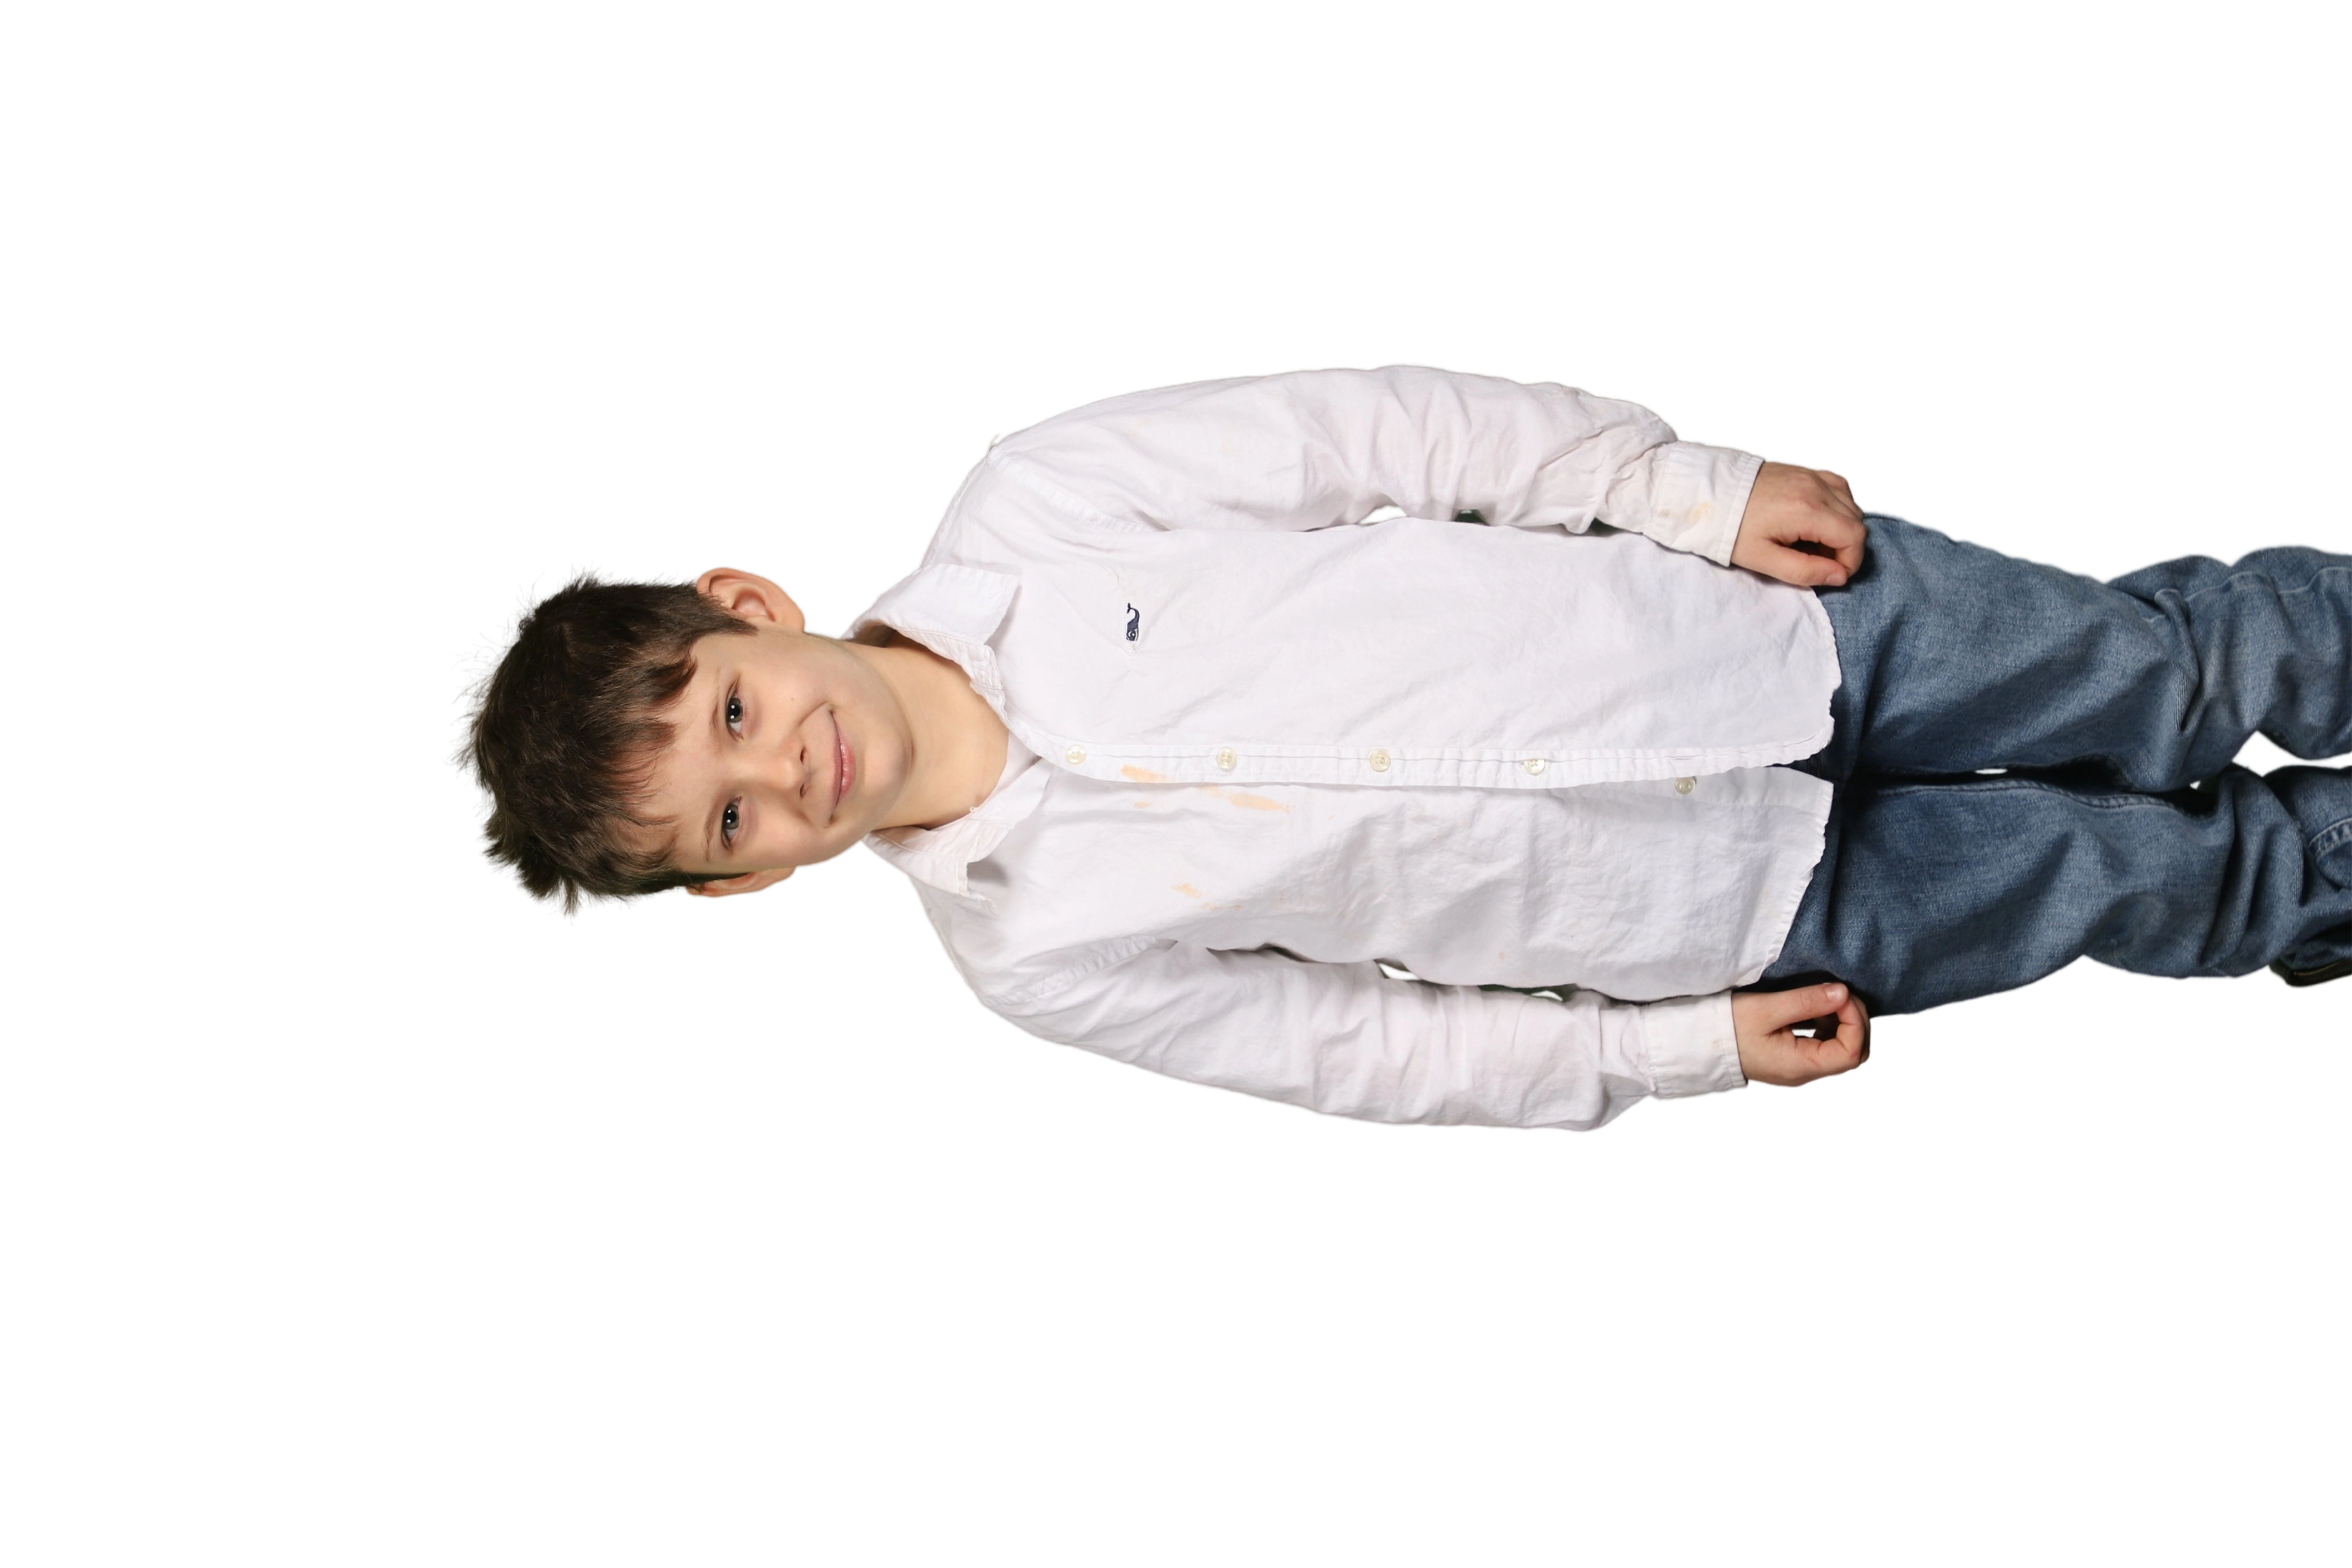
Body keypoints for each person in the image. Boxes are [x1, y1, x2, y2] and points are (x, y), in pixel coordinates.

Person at [443, 362, 2352, 1133]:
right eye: (729, 825)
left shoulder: (1041, 503)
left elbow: (1390, 439)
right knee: (2159, 886)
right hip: (1730, 918)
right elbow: (1367, 1049)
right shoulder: (1030, 955)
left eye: (736, 715)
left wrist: (1680, 490)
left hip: (1771, 631)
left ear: (749, 608)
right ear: (742, 883)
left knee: (2169, 682)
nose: (786, 778)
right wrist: (1669, 1052)